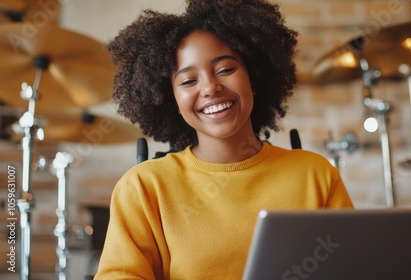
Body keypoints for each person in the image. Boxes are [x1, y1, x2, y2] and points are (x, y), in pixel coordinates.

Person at [94, 0, 354, 279]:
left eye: (225, 70)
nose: (210, 88)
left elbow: (355, 265)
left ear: (253, 79)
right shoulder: (144, 187)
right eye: (188, 81)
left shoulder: (316, 174)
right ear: (171, 100)